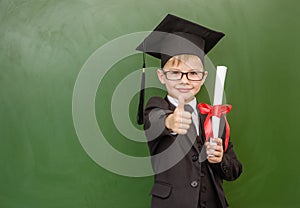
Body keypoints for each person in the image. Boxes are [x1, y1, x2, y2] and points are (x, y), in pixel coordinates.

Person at [137, 14, 242, 208]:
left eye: (193, 73)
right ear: (162, 76)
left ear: (203, 78)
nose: (184, 80)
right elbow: (155, 120)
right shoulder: (157, 107)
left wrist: (220, 160)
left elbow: (235, 169)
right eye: (175, 73)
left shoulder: (213, 117)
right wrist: (171, 122)